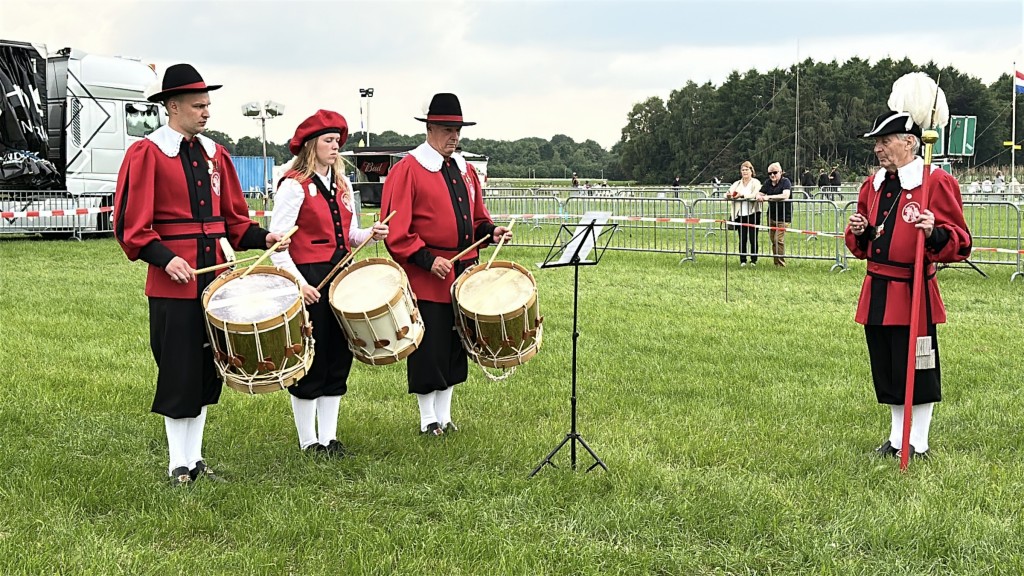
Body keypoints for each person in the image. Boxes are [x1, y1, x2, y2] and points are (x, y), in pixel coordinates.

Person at [114, 63, 291, 486]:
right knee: (179, 371)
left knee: (207, 371)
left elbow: (234, 221)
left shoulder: (217, 154)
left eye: (208, 105)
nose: (206, 112)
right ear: (172, 106)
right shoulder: (147, 153)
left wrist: (264, 237)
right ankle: (178, 464)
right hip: (173, 284)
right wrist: (164, 258)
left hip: (217, 284)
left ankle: (195, 460)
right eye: (198, 106)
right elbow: (130, 225)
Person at [381, 93, 512, 436]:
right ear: (429, 129)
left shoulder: (465, 169)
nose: (454, 137)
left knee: (456, 345)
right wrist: (427, 259)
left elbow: (477, 217)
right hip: (428, 275)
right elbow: (396, 230)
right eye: (447, 130)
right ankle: (427, 418)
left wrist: (491, 231)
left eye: (457, 130)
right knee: (430, 347)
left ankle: (446, 415)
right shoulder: (407, 169)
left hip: (463, 271)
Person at [846, 110, 971, 459]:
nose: (878, 149)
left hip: (914, 290)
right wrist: (861, 231)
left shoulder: (936, 182)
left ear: (910, 142)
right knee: (887, 366)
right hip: (878, 290)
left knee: (919, 364)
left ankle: (919, 441)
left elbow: (961, 241)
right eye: (876, 143)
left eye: (885, 142)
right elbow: (866, 242)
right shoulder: (872, 185)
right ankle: (897, 438)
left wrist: (934, 231)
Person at [269, 110, 388, 457]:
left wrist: (370, 234)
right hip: (309, 277)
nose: (335, 147)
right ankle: (309, 441)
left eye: (337, 141)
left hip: (340, 277)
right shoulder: (294, 185)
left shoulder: (343, 184)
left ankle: (330, 438)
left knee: (338, 355)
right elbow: (278, 246)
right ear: (311, 145)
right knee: (311, 359)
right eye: (328, 140)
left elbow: (349, 235)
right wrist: (298, 284)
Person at [757, 162, 792, 266]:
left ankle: (781, 264)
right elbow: (760, 193)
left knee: (778, 240)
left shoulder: (786, 182)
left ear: (780, 172)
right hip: (771, 216)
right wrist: (758, 196)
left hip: (784, 217)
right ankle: (776, 262)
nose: (772, 175)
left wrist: (768, 197)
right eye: (770, 173)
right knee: (773, 240)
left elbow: (785, 195)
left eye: (775, 172)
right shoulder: (767, 183)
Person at [727, 160, 762, 266]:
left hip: (753, 214)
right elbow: (729, 192)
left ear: (751, 171)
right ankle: (743, 260)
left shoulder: (755, 182)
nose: (745, 172)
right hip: (740, 215)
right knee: (742, 238)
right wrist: (729, 195)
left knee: (753, 238)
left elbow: (755, 194)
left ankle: (753, 260)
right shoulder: (737, 183)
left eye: (747, 170)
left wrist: (742, 195)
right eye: (743, 170)